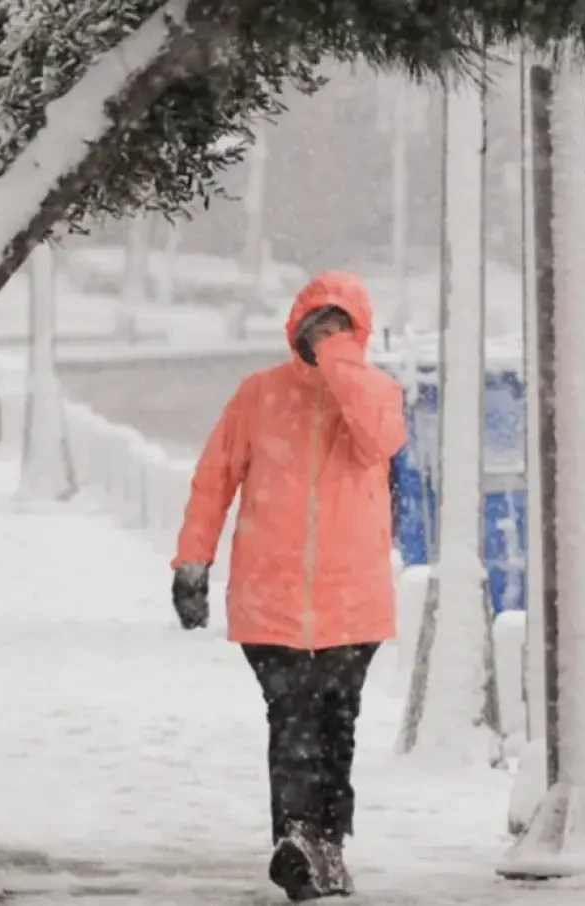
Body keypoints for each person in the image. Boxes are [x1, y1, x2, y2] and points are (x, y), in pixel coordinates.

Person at [170, 270, 407, 901]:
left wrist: (339, 363)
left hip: (353, 604)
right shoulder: (260, 395)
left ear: (357, 333)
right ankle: (299, 838)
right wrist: (192, 562)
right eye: (315, 326)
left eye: (339, 327)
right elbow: (213, 479)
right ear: (294, 329)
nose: (324, 337)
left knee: (335, 722)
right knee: (294, 717)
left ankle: (325, 841)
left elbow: (378, 441)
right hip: (269, 601)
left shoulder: (376, 393)